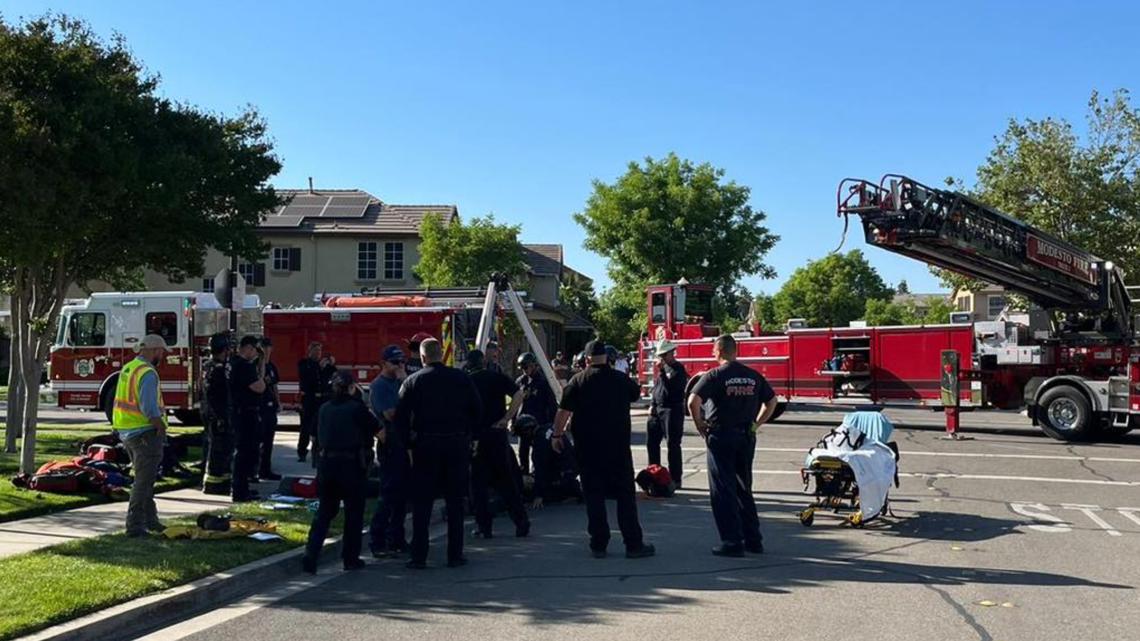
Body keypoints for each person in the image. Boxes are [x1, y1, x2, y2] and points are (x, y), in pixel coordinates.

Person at [552, 339, 655, 560]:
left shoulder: (577, 381)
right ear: (607, 358)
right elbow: (636, 394)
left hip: (588, 450)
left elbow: (563, 412)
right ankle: (633, 544)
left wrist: (557, 435)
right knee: (625, 496)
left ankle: (599, 544)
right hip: (617, 449)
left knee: (594, 496)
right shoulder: (620, 380)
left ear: (587, 359)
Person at [687, 334, 778, 557]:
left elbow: (693, 401)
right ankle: (753, 539)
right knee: (743, 487)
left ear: (718, 351)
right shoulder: (752, 375)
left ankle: (732, 541)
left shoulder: (715, 375)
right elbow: (772, 401)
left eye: (713, 350)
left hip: (721, 436)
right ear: (735, 351)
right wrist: (756, 424)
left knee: (722, 489)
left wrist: (700, 425)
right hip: (746, 435)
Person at [396, 338, 482, 569]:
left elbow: (401, 419)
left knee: (422, 503)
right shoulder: (461, 378)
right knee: (455, 502)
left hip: (426, 446)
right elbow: (477, 409)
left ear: (423, 357)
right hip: (456, 445)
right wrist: (470, 436)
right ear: (442, 354)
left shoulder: (413, 382)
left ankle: (419, 556)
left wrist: (408, 446)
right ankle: (455, 555)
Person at [302, 370, 379, 574]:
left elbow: (313, 437)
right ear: (352, 387)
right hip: (351, 466)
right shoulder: (358, 408)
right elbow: (379, 431)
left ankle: (310, 556)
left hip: (327, 466)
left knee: (324, 513)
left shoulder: (324, 408)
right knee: (354, 514)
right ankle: (350, 558)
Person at [466, 349, 530, 539]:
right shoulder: (496, 377)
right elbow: (519, 395)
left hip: (477, 437)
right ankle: (521, 522)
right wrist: (507, 418)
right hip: (497, 434)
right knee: (506, 481)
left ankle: (484, 527)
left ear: (469, 364)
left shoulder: (467, 381)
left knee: (478, 486)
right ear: (484, 362)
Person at [113, 334, 169, 537]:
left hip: (127, 432)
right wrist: (160, 426)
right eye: (161, 351)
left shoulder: (129, 368)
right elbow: (149, 408)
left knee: (145, 480)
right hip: (145, 433)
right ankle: (135, 526)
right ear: (154, 351)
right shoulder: (148, 373)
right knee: (143, 483)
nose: (162, 355)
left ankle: (151, 521)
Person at [368, 345, 410, 558]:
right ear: (383, 364)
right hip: (390, 442)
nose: (400, 366)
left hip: (404, 442)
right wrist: (404, 384)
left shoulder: (402, 383)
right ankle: (377, 539)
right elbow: (391, 414)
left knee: (402, 496)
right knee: (389, 493)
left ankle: (397, 538)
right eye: (395, 362)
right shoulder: (380, 386)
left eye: (402, 362)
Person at [229, 335, 266, 502]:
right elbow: (259, 387)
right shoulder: (244, 366)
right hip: (245, 413)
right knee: (244, 453)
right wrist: (261, 375)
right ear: (248, 348)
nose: (256, 353)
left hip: (240, 412)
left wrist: (262, 362)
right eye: (255, 349)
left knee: (247, 452)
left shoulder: (234, 363)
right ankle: (240, 490)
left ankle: (243, 488)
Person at [648, 340, 689, 488]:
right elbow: (658, 389)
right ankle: (654, 473)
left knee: (673, 444)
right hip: (658, 409)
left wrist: (662, 373)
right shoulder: (663, 370)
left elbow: (671, 390)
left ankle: (675, 478)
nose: (663, 358)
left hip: (672, 410)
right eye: (661, 355)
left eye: (665, 355)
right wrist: (652, 405)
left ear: (671, 353)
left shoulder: (678, 370)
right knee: (652, 443)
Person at [515, 352, 556, 475]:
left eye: (526, 367)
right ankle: (524, 474)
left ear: (533, 366)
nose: (524, 370)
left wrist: (551, 424)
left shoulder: (543, 382)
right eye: (522, 368)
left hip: (538, 423)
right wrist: (512, 421)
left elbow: (551, 404)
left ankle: (537, 475)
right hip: (523, 423)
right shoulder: (520, 381)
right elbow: (515, 403)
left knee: (538, 452)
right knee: (523, 451)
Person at [202, 333, 233, 495]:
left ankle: (222, 482)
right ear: (224, 350)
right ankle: (215, 485)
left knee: (216, 448)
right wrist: (222, 418)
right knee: (219, 451)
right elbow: (218, 397)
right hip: (218, 416)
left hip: (210, 415)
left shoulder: (208, 366)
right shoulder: (219, 370)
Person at [530, 423, 581, 509]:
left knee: (552, 493)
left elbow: (541, 469)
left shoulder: (540, 442)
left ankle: (575, 489)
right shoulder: (547, 428)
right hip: (572, 461)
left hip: (565, 469)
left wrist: (538, 495)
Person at [256, 337, 282, 482]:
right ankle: (256, 470)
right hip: (259, 408)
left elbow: (274, 386)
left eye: (268, 349)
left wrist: (279, 402)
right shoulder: (256, 367)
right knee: (258, 441)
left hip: (271, 408)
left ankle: (266, 469)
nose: (267, 352)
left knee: (268, 441)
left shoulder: (272, 367)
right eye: (263, 349)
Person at [297, 342, 327, 462]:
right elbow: (306, 377)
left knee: (320, 426)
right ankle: (302, 451)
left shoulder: (322, 366)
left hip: (320, 400)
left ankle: (318, 451)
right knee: (306, 426)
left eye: (319, 351)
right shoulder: (304, 364)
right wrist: (318, 367)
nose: (318, 353)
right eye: (315, 351)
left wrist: (328, 365)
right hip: (309, 399)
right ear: (310, 352)